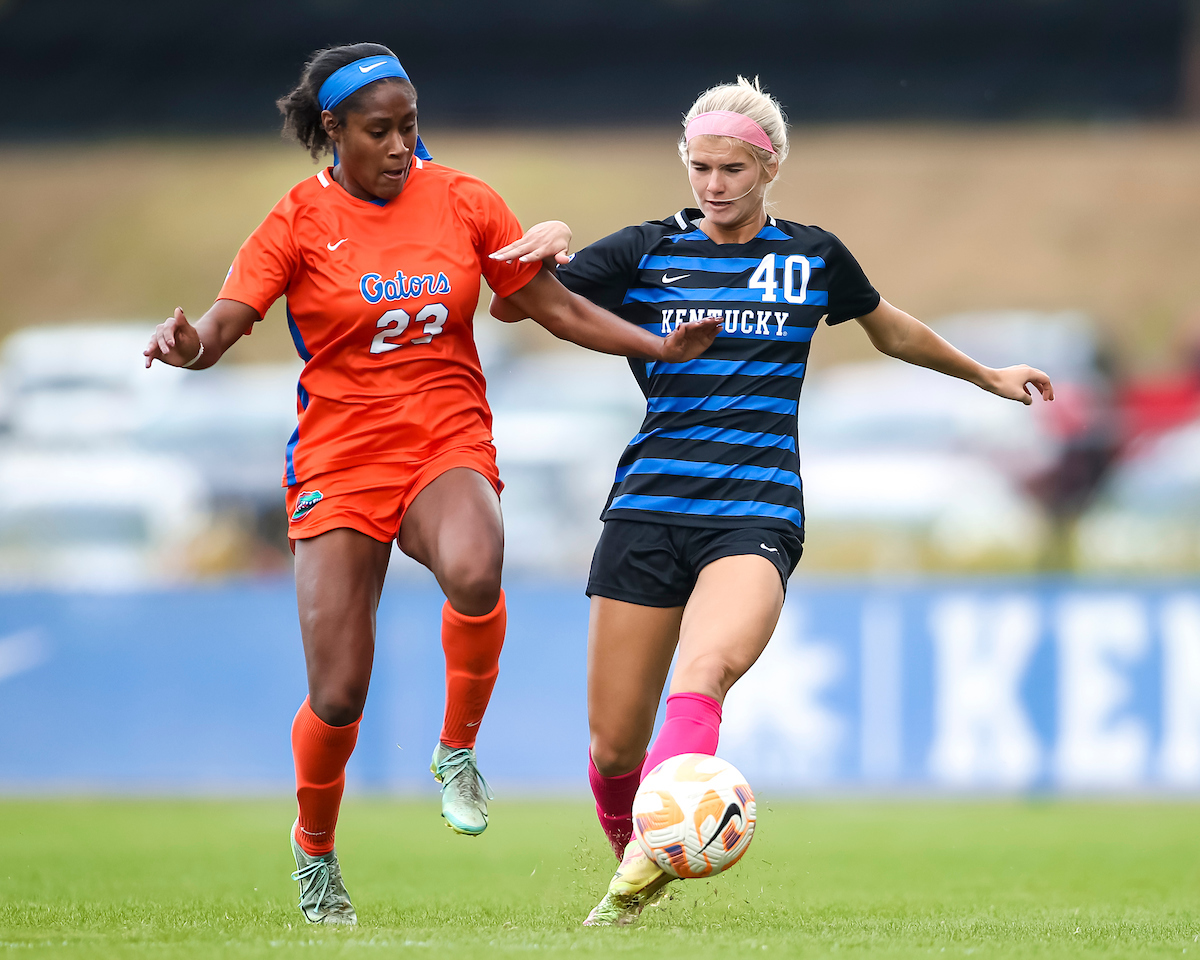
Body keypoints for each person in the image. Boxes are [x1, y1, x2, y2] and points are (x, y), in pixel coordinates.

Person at [143, 42, 719, 927]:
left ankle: (456, 752)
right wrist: (189, 347)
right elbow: (224, 324)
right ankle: (316, 848)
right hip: (339, 460)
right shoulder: (296, 220)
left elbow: (550, 305)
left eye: (410, 126)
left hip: (444, 436)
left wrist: (656, 346)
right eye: (380, 130)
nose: (401, 144)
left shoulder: (464, 200)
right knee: (338, 694)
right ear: (334, 130)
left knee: (477, 564)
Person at [491, 76, 1054, 927]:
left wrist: (985, 374)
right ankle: (641, 858)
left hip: (756, 512)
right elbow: (520, 305)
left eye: (732, 169)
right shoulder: (644, 251)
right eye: (700, 167)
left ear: (771, 165)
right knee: (613, 748)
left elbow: (888, 326)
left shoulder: (813, 257)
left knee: (706, 671)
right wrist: (539, 249)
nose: (714, 185)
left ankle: (631, 881)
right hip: (647, 508)